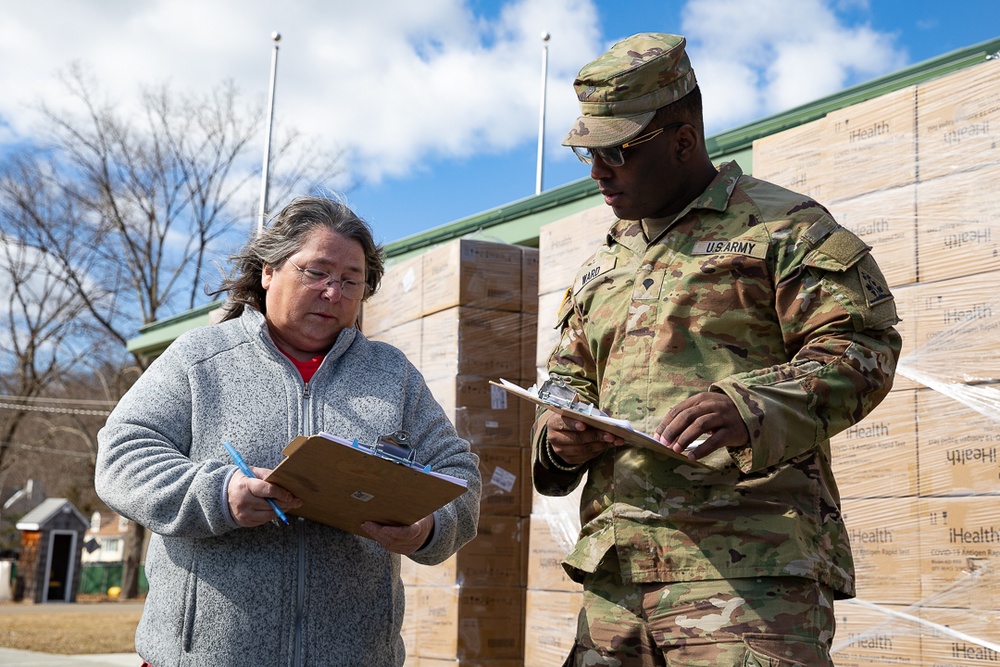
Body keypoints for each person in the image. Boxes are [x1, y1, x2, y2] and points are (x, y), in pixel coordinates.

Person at [532, 33, 902, 666]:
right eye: (588, 153)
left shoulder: (784, 228)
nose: (598, 172)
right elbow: (565, 384)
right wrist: (558, 439)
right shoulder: (605, 263)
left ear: (682, 140)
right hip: (615, 583)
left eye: (616, 151)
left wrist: (749, 407)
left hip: (749, 578)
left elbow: (862, 348)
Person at [95, 195, 482, 667]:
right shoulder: (199, 359)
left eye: (350, 281)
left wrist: (429, 527)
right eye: (316, 273)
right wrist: (220, 493)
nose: (333, 293)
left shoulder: (392, 375)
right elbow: (122, 456)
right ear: (268, 271)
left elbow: (459, 472)